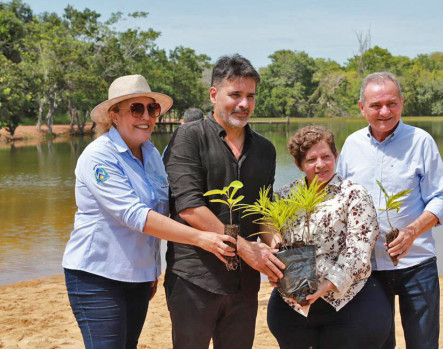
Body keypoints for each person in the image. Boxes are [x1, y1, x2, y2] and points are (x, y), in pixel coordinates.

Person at [62, 74, 237, 349]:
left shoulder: (152, 154)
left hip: (137, 278)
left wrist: (151, 270)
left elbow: (163, 209)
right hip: (97, 278)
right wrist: (201, 238)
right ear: (114, 116)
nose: (147, 116)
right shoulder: (99, 156)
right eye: (136, 108)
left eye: (151, 108)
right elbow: (136, 215)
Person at [163, 54, 284, 349]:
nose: (244, 104)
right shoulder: (188, 138)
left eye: (250, 96)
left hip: (244, 284)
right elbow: (190, 208)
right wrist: (246, 250)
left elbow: (263, 210)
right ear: (214, 94)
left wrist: (275, 245)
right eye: (236, 95)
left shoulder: (265, 150)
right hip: (195, 278)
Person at [336, 72, 443, 349]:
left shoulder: (421, 141)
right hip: (368, 269)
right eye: (376, 105)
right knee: (376, 342)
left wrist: (412, 232)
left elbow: (442, 199)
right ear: (361, 107)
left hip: (417, 263)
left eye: (392, 103)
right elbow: (339, 199)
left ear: (402, 102)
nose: (385, 111)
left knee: (423, 343)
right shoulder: (352, 145)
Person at [267, 126, 392, 349]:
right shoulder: (284, 196)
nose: (320, 165)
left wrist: (324, 286)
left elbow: (359, 250)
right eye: (311, 159)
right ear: (299, 164)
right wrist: (276, 270)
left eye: (326, 156)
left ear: (336, 156)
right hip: (295, 305)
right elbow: (271, 234)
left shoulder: (353, 193)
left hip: (349, 301)